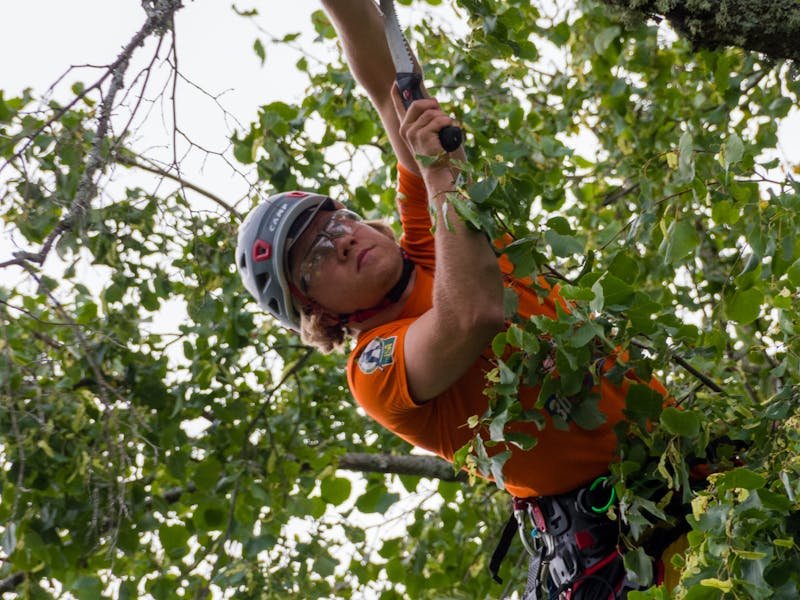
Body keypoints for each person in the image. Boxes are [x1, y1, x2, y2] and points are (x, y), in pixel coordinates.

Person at [236, 0, 682, 597]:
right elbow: (470, 314)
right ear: (317, 312)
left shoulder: (428, 244)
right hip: (624, 552)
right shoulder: (374, 364)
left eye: (336, 220)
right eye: (315, 256)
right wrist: (442, 176)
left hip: (694, 465)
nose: (341, 241)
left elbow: (383, 83)